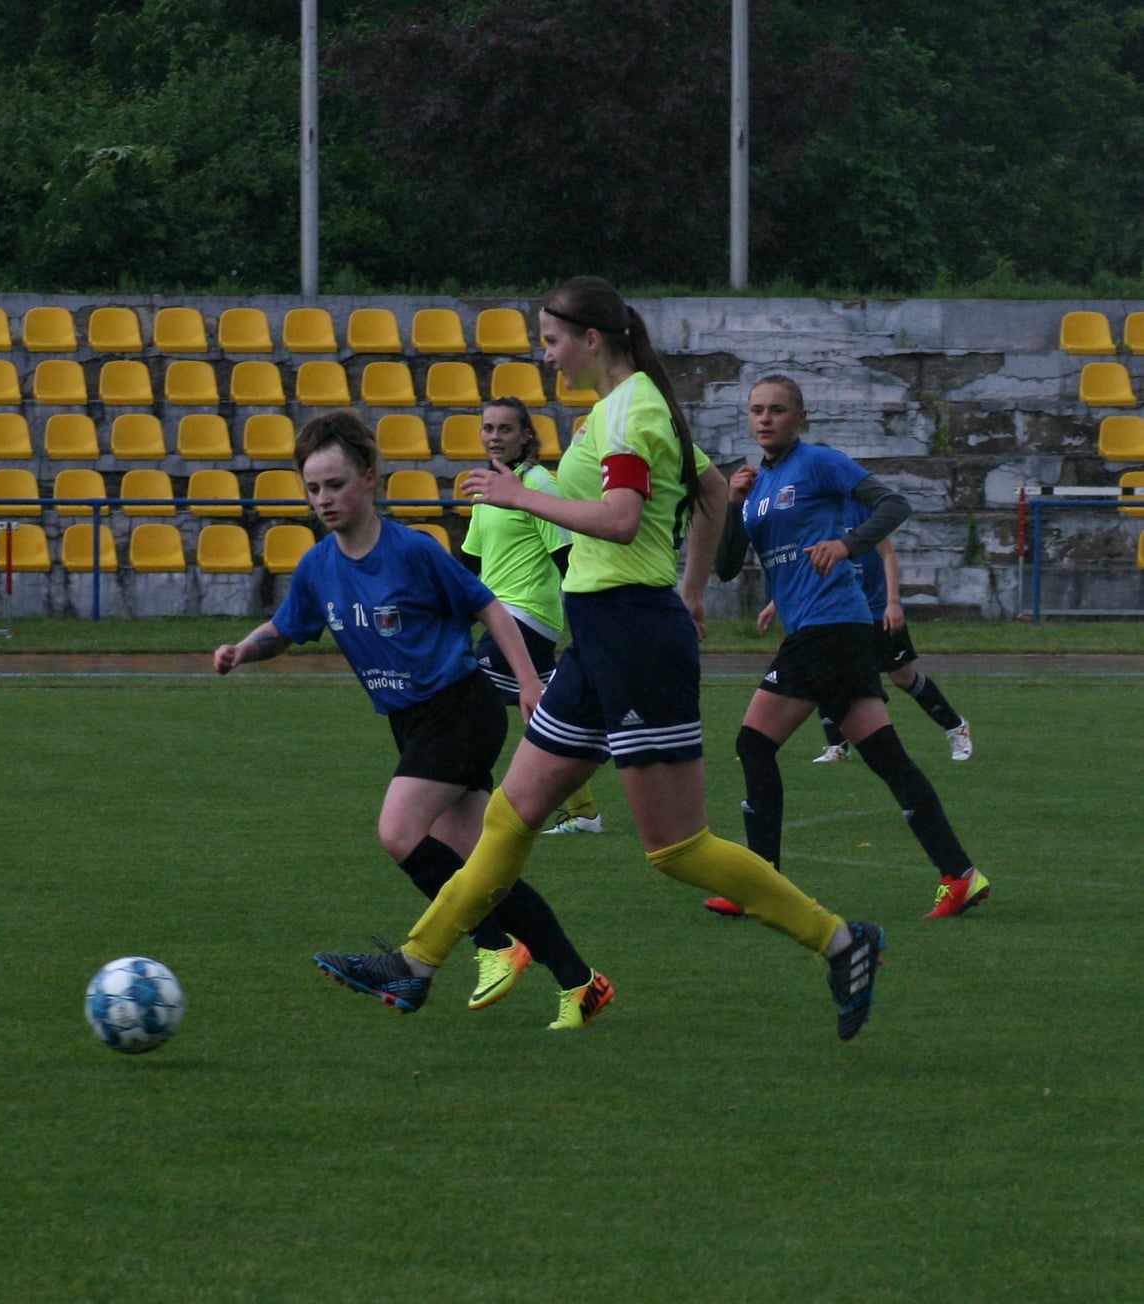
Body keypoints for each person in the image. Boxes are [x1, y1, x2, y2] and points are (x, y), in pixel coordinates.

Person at [314, 277, 888, 1042]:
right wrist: (691, 589)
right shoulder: (622, 408)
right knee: (510, 816)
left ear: (592, 338)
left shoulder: (632, 411)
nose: (546, 355)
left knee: (677, 848)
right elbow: (711, 488)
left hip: (634, 640)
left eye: (552, 340)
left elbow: (620, 520)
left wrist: (524, 498)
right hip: (603, 635)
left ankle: (842, 941)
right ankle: (415, 963)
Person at [221, 410, 613, 1029]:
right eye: (313, 488)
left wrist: (529, 682)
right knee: (484, 872)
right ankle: (581, 982)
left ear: (369, 479)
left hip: (459, 708)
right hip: (411, 722)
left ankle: (484, 947)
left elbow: (490, 608)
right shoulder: (319, 566)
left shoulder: (411, 551)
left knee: (398, 831)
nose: (323, 498)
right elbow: (286, 628)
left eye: (335, 484)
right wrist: (244, 649)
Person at [704, 376, 989, 921]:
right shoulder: (756, 486)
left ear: (801, 417)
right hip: (829, 630)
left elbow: (893, 504)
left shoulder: (819, 462)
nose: (765, 419)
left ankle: (760, 883)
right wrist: (734, 503)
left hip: (829, 626)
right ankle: (960, 875)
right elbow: (725, 568)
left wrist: (847, 543)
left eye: (777, 410)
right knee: (887, 758)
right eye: (757, 410)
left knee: (753, 744)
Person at [459, 397, 605, 837]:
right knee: (544, 713)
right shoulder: (487, 488)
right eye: (488, 428)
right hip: (500, 615)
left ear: (526, 436)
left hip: (528, 616)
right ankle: (585, 813)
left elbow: (566, 556)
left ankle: (469, 801)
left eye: (505, 429)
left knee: (466, 702)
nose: (494, 437)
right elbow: (470, 564)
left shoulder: (539, 483)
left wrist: (587, 623)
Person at [800, 502, 973, 764]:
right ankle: (838, 747)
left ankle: (955, 726)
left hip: (876, 608)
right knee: (827, 673)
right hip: (841, 609)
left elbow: (888, 555)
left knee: (902, 678)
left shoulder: (861, 508)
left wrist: (892, 603)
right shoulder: (817, 509)